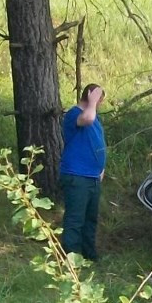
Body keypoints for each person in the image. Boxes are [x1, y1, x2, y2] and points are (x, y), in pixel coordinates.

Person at [60, 83, 106, 261]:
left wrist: (101, 169)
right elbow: (87, 119)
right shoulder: (74, 115)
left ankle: (89, 254)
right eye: (98, 100)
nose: (99, 104)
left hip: (93, 177)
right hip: (77, 176)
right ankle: (72, 257)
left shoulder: (95, 118)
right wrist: (92, 102)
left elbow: (97, 141)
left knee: (90, 219)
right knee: (75, 219)